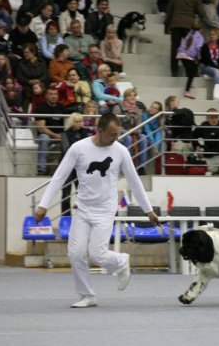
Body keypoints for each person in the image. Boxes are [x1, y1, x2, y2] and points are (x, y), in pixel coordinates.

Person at [34, 113, 160, 308]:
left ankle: (121, 261)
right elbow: (59, 177)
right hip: (83, 209)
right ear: (99, 131)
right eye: (111, 134)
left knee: (97, 254)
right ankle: (87, 296)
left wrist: (149, 211)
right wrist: (43, 204)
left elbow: (135, 182)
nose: (115, 138)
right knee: (75, 253)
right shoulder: (79, 149)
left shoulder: (121, 151)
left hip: (105, 210)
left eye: (117, 134)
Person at [165, 0, 204, 78]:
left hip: (175, 23)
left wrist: (166, 25)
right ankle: (193, 71)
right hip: (189, 25)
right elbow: (201, 12)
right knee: (191, 48)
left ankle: (174, 71)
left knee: (175, 48)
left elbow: (169, 10)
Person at [112, 88, 149, 173]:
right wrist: (127, 131)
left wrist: (137, 130)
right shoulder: (118, 108)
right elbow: (115, 125)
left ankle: (142, 167)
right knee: (128, 138)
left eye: (134, 95)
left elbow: (140, 126)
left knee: (143, 137)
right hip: (120, 134)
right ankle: (127, 166)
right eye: (130, 95)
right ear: (125, 97)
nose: (133, 97)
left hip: (133, 133)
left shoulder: (138, 110)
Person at [58, 112, 89, 215]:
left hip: (80, 167)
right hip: (67, 167)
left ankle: (82, 215)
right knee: (66, 195)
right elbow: (67, 150)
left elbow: (87, 149)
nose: (79, 124)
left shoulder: (85, 133)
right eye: (76, 122)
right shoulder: (64, 134)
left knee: (82, 194)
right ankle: (66, 217)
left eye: (80, 121)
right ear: (72, 122)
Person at [192, 108, 219, 175]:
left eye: (216, 117)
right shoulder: (204, 125)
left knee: (200, 166)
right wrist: (197, 146)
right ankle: (186, 162)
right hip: (208, 152)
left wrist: (203, 152)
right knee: (187, 146)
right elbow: (193, 135)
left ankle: (217, 168)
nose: (214, 120)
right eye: (212, 117)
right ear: (207, 118)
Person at [176, 21, 204, 99]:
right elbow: (198, 48)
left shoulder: (189, 34)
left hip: (181, 54)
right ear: (201, 29)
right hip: (189, 55)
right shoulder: (200, 37)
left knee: (189, 69)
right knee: (192, 72)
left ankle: (190, 82)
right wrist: (198, 57)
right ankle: (187, 91)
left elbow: (183, 44)